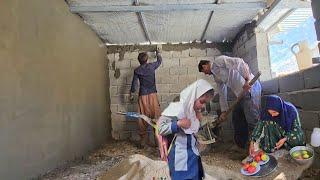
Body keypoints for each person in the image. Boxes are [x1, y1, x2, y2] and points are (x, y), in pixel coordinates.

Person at [198, 55, 261, 149]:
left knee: (252, 120)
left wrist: (247, 80)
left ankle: (256, 148)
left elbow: (239, 62)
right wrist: (224, 111)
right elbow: (222, 93)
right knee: (237, 119)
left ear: (204, 66)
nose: (206, 74)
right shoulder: (216, 77)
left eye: (204, 72)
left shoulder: (218, 61)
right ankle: (242, 147)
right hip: (240, 95)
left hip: (250, 88)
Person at [157, 79, 215, 180]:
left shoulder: (194, 111)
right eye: (202, 102)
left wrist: (199, 120)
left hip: (193, 154)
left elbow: (194, 130)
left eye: (205, 103)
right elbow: (160, 128)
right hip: (179, 155)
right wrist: (178, 124)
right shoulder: (176, 108)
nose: (203, 106)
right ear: (193, 96)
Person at [130, 50, 162, 148]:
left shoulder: (137, 70)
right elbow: (159, 61)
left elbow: (134, 84)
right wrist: (158, 53)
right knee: (156, 117)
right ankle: (158, 143)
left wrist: (131, 93)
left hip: (143, 95)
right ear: (147, 59)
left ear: (139, 61)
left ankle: (143, 142)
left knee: (142, 118)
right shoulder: (152, 66)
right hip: (153, 95)